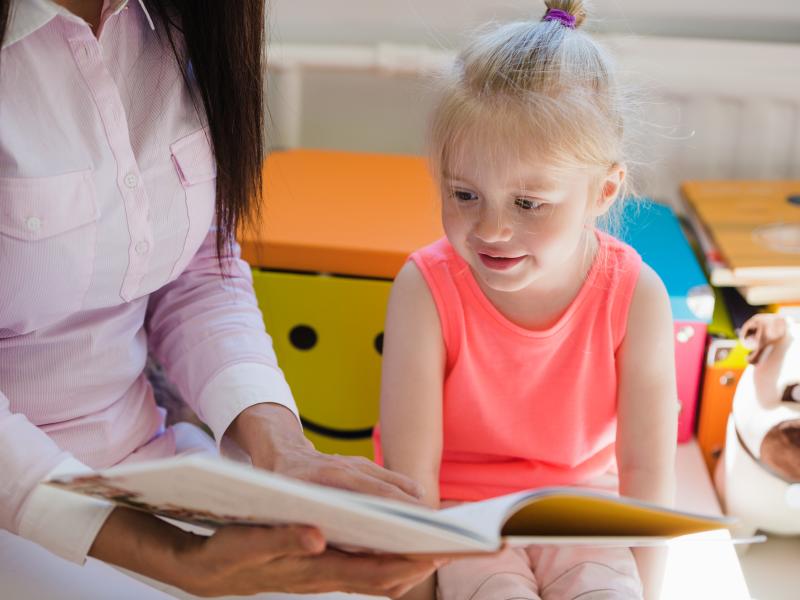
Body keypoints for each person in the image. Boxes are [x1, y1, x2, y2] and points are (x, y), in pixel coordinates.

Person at [0, 0, 444, 596]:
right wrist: (173, 556)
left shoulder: (181, 25)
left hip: (151, 468)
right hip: (23, 505)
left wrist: (283, 451)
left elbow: (199, 275)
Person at [376, 1, 678, 598]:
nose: (490, 230)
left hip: (581, 508)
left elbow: (646, 470)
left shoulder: (636, 293)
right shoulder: (425, 288)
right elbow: (410, 473)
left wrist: (650, 587)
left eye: (527, 204)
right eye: (464, 193)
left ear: (603, 190)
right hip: (461, 512)